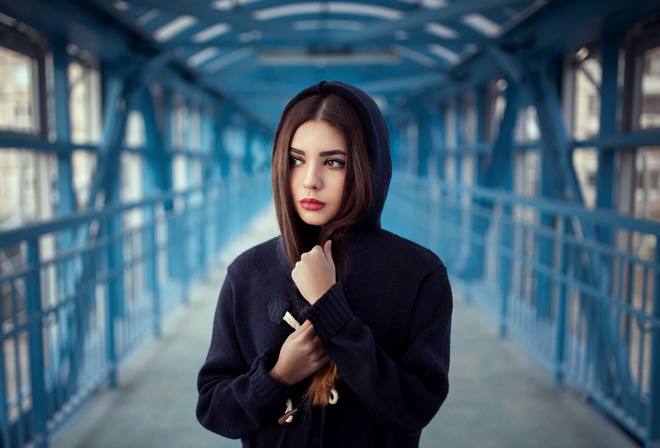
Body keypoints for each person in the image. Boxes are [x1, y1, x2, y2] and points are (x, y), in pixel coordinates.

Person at [196, 80, 453, 447]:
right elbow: (213, 410)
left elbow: (413, 409)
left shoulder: (418, 275)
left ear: (368, 167)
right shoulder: (247, 273)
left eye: (334, 162)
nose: (310, 181)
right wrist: (278, 376)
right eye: (296, 160)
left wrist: (331, 310)